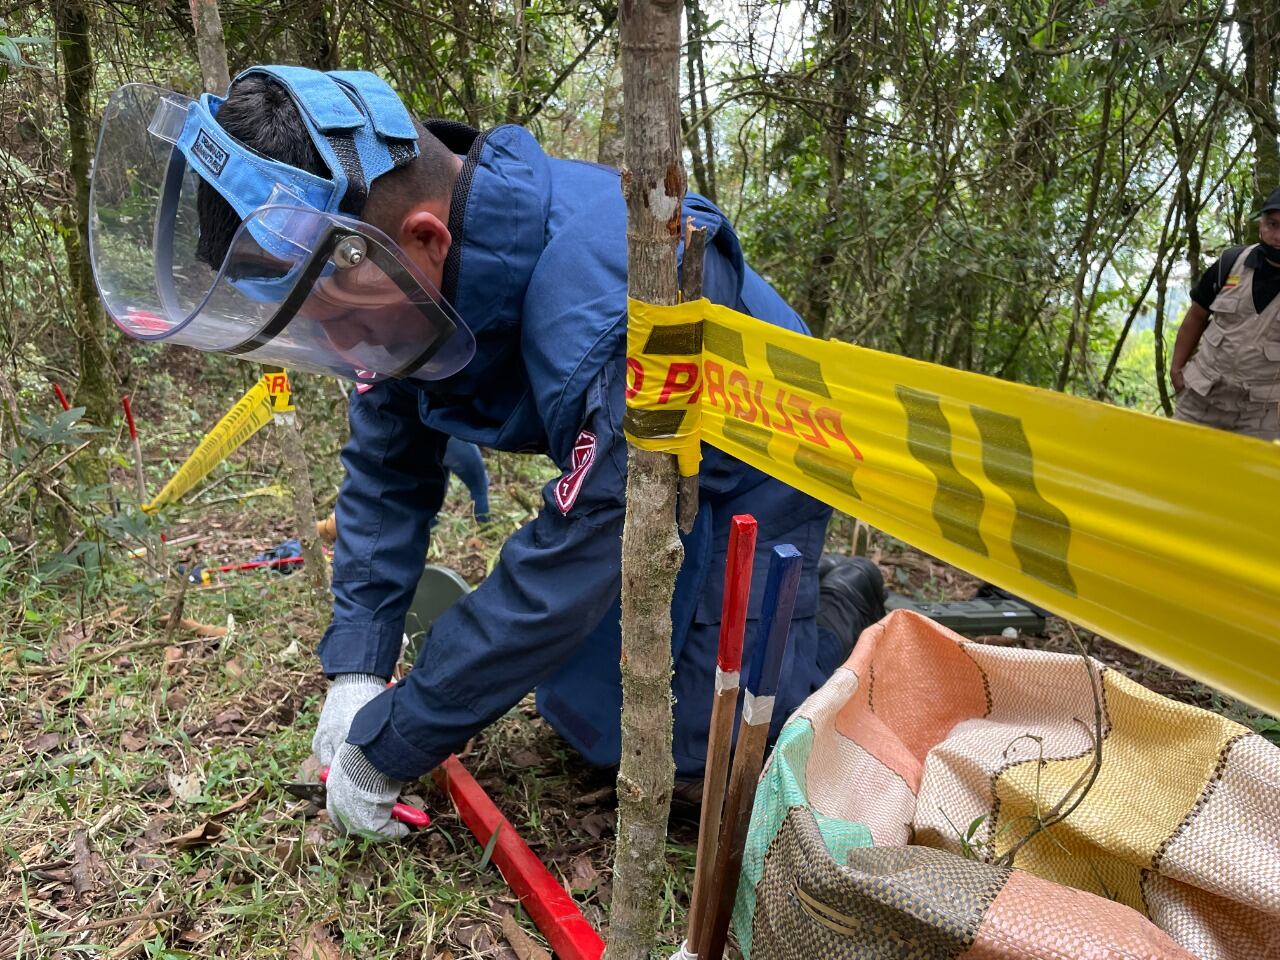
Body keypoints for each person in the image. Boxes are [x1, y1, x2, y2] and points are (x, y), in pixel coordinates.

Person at [89, 66, 885, 837]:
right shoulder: (402, 272)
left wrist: (394, 742)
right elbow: (387, 472)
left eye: (344, 321)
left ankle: (839, 604)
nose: (344, 346)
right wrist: (359, 666)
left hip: (763, 450)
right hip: (634, 465)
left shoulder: (610, 302)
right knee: (585, 717)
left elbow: (587, 544)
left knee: (708, 763)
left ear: (424, 237)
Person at [1171, 187, 1280, 440]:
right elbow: (1196, 316)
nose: (1278, 236)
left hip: (1261, 415)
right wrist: (1176, 370)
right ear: (1261, 224)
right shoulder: (1231, 262)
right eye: (1272, 224)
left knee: (1246, 468)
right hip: (1200, 399)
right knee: (1177, 459)